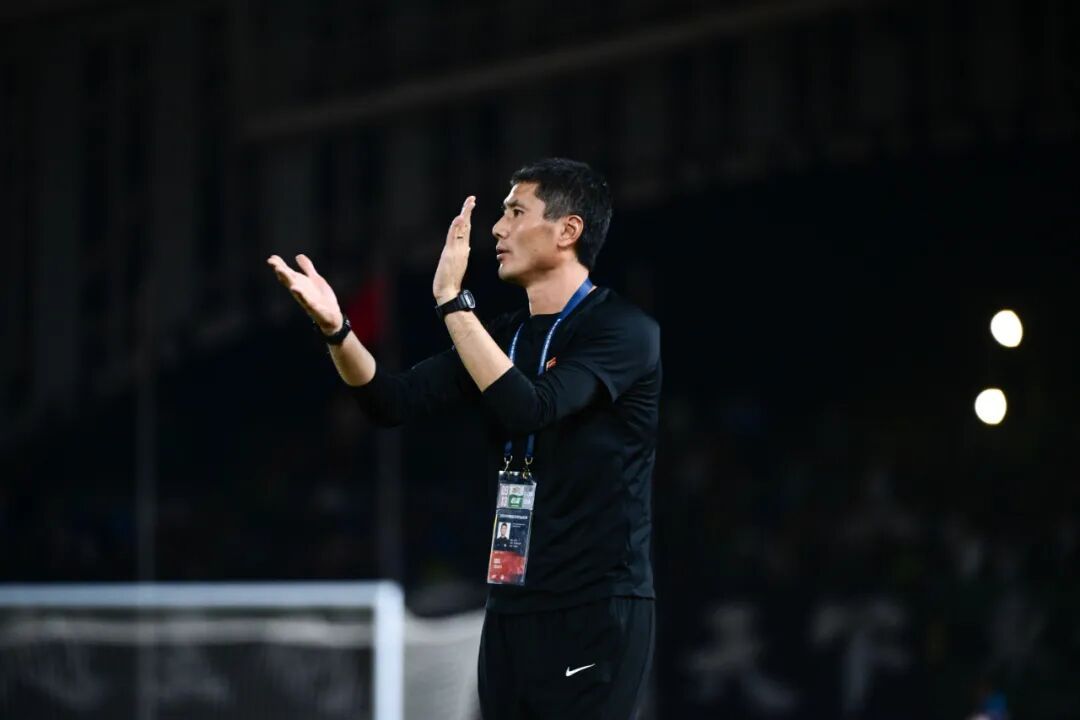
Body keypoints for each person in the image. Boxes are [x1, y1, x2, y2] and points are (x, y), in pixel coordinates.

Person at [267, 158, 660, 719]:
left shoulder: (622, 330)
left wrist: (452, 301)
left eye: (516, 213)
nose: (497, 229)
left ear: (568, 230)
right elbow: (388, 401)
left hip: (593, 606)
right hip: (511, 600)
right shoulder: (505, 336)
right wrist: (337, 330)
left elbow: (531, 409)